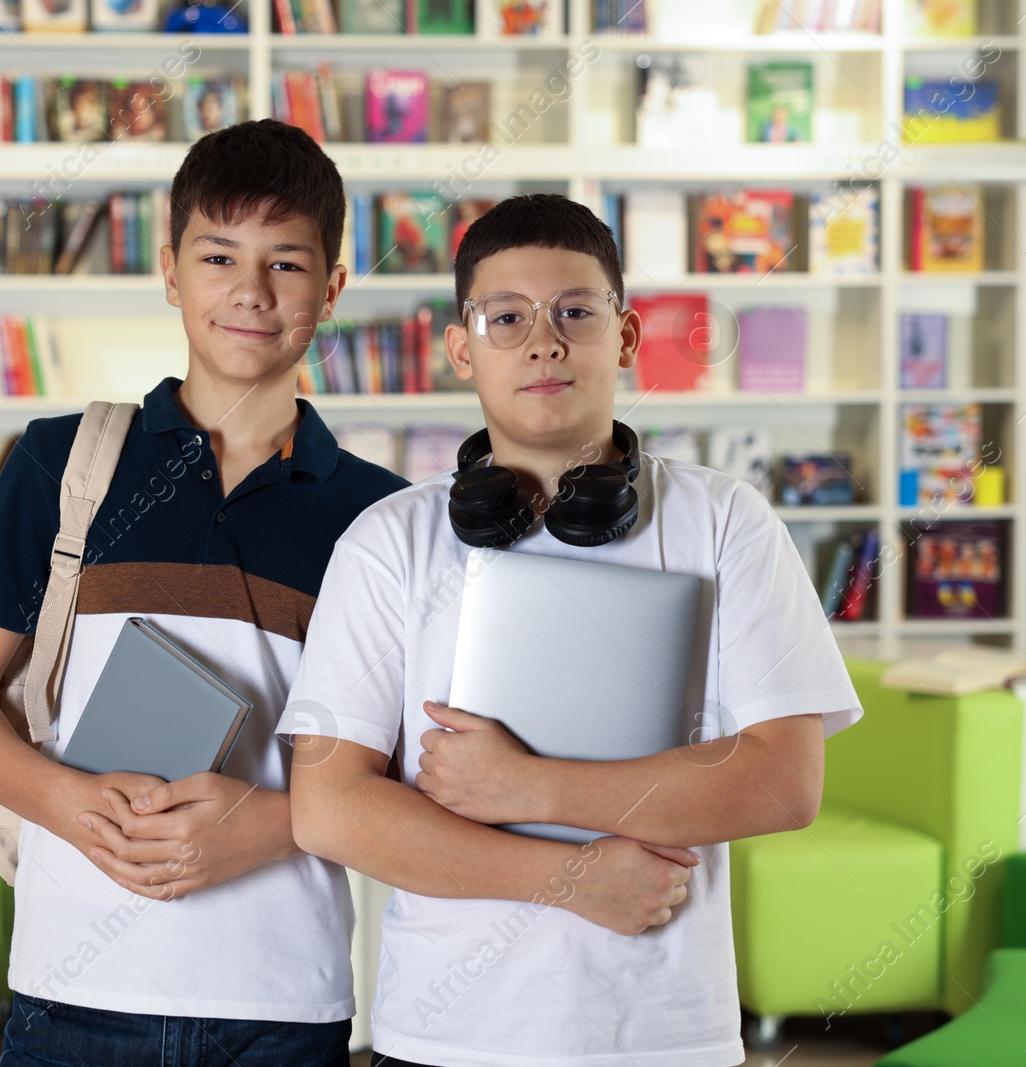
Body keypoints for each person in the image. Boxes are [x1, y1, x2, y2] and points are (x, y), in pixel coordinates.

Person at [284, 193, 863, 1066]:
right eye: (505, 317)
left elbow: (784, 781)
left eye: (574, 313)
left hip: (663, 1038)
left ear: (625, 337)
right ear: (460, 348)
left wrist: (531, 788)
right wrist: (569, 878)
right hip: (445, 1039)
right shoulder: (387, 541)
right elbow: (328, 808)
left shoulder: (726, 521)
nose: (543, 341)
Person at [0, 119, 406, 1067]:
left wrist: (263, 826)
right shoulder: (63, 463)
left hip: (282, 1004)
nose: (251, 292)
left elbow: (406, 767)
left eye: (288, 264)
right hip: (70, 997)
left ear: (333, 289)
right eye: (218, 254)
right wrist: (68, 800)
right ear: (171, 272)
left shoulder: (379, 516)